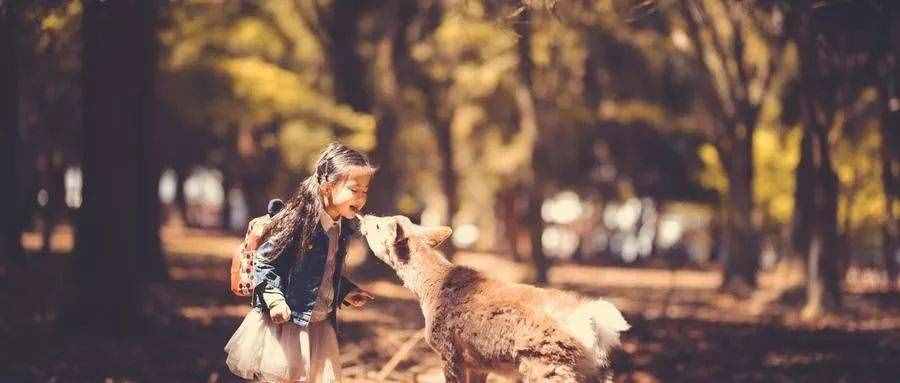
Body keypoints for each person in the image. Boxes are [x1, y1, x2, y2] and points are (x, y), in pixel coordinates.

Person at [225, 143, 376, 382]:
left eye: (365, 191)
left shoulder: (342, 227)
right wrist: (275, 301)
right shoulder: (300, 221)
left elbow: (323, 273)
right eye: (354, 189)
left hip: (318, 324)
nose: (361, 197)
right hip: (288, 321)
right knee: (286, 376)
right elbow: (266, 262)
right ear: (327, 186)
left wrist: (345, 291)